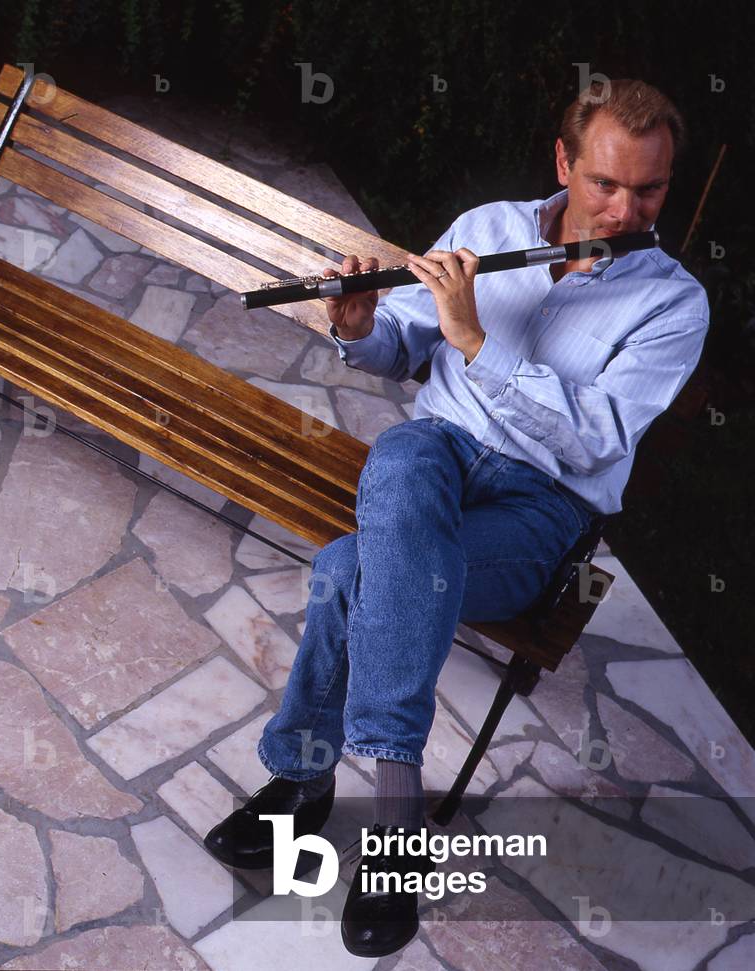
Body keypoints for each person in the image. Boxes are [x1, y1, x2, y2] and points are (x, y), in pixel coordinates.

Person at [203, 78, 709, 958]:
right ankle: (397, 830)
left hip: (538, 507)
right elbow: (401, 345)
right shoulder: (488, 228)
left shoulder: (672, 304)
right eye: (603, 184)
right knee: (403, 454)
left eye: (650, 190)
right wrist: (358, 325)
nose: (625, 209)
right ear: (563, 162)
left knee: (345, 569)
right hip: (434, 459)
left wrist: (477, 341)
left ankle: (306, 779)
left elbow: (596, 441)